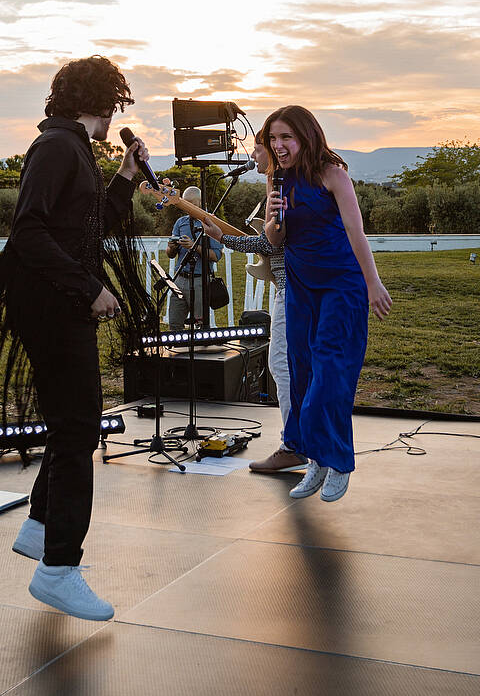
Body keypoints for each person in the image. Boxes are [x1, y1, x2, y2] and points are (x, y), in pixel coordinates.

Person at [0, 54, 152, 622]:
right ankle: (58, 570)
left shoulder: (73, 148)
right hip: (50, 302)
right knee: (78, 429)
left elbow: (92, 224)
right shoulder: (55, 148)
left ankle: (40, 528)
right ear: (105, 101)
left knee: (71, 422)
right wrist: (88, 287)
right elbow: (28, 230)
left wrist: (125, 177)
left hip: (55, 299)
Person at [259, 105, 391, 501]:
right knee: (301, 373)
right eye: (273, 139)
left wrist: (373, 283)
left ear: (306, 136)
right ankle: (315, 460)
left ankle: (339, 462)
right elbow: (275, 240)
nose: (278, 146)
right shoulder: (277, 181)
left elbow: (356, 232)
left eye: (286, 137)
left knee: (330, 372)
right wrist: (272, 218)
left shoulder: (333, 175)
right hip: (300, 285)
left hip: (341, 285)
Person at [202, 141, 303, 473]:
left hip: (292, 288)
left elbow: (269, 241)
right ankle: (302, 441)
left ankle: (295, 445)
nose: (253, 156)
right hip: (290, 287)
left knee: (281, 365)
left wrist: (222, 237)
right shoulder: (278, 184)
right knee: (289, 366)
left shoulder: (281, 184)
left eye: (258, 149)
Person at [165, 185, 218, 329]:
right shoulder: (180, 222)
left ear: (200, 203)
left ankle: (199, 351)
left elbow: (216, 256)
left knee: (201, 326)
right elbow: (169, 254)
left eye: (191, 204)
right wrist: (172, 247)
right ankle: (177, 350)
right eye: (185, 203)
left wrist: (194, 246)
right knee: (174, 324)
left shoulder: (211, 223)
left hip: (200, 280)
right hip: (179, 279)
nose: (187, 207)